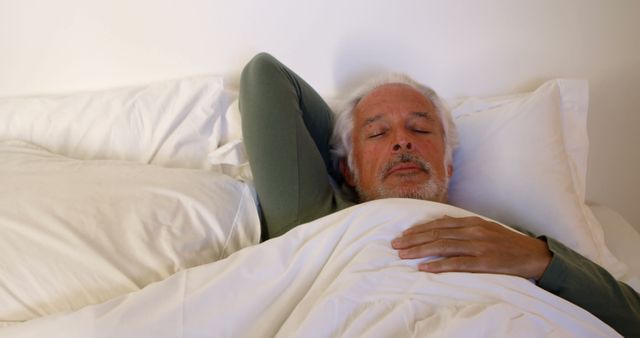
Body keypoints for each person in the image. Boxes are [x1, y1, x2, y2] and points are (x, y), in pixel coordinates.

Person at [239, 52, 639, 336]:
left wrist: (541, 259)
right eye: (378, 133)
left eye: (420, 129)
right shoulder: (317, 217)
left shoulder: (509, 237)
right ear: (346, 169)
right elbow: (265, 75)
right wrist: (344, 151)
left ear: (449, 163)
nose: (402, 143)